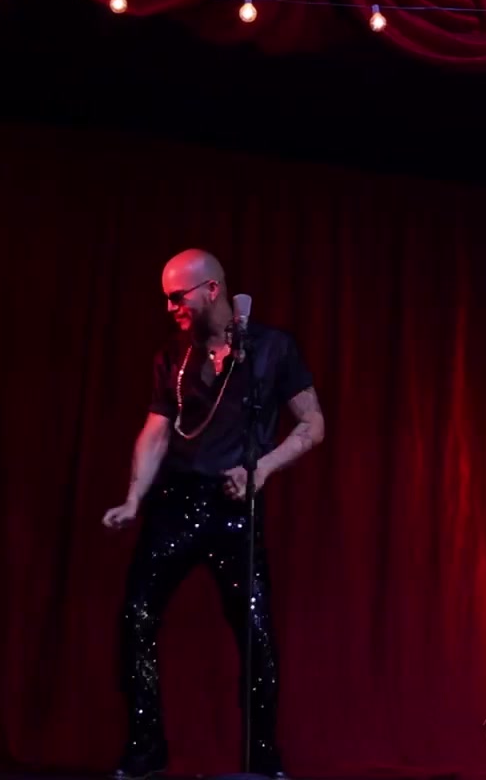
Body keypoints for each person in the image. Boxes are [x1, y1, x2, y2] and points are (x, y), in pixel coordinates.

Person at [102, 249, 327, 780]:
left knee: (255, 631)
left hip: (235, 507)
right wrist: (134, 497)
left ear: (211, 289)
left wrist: (261, 469)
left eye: (176, 297)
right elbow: (156, 430)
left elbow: (313, 423)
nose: (169, 308)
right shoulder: (172, 357)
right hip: (175, 504)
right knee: (136, 617)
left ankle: (262, 756)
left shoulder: (271, 349)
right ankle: (146, 747)